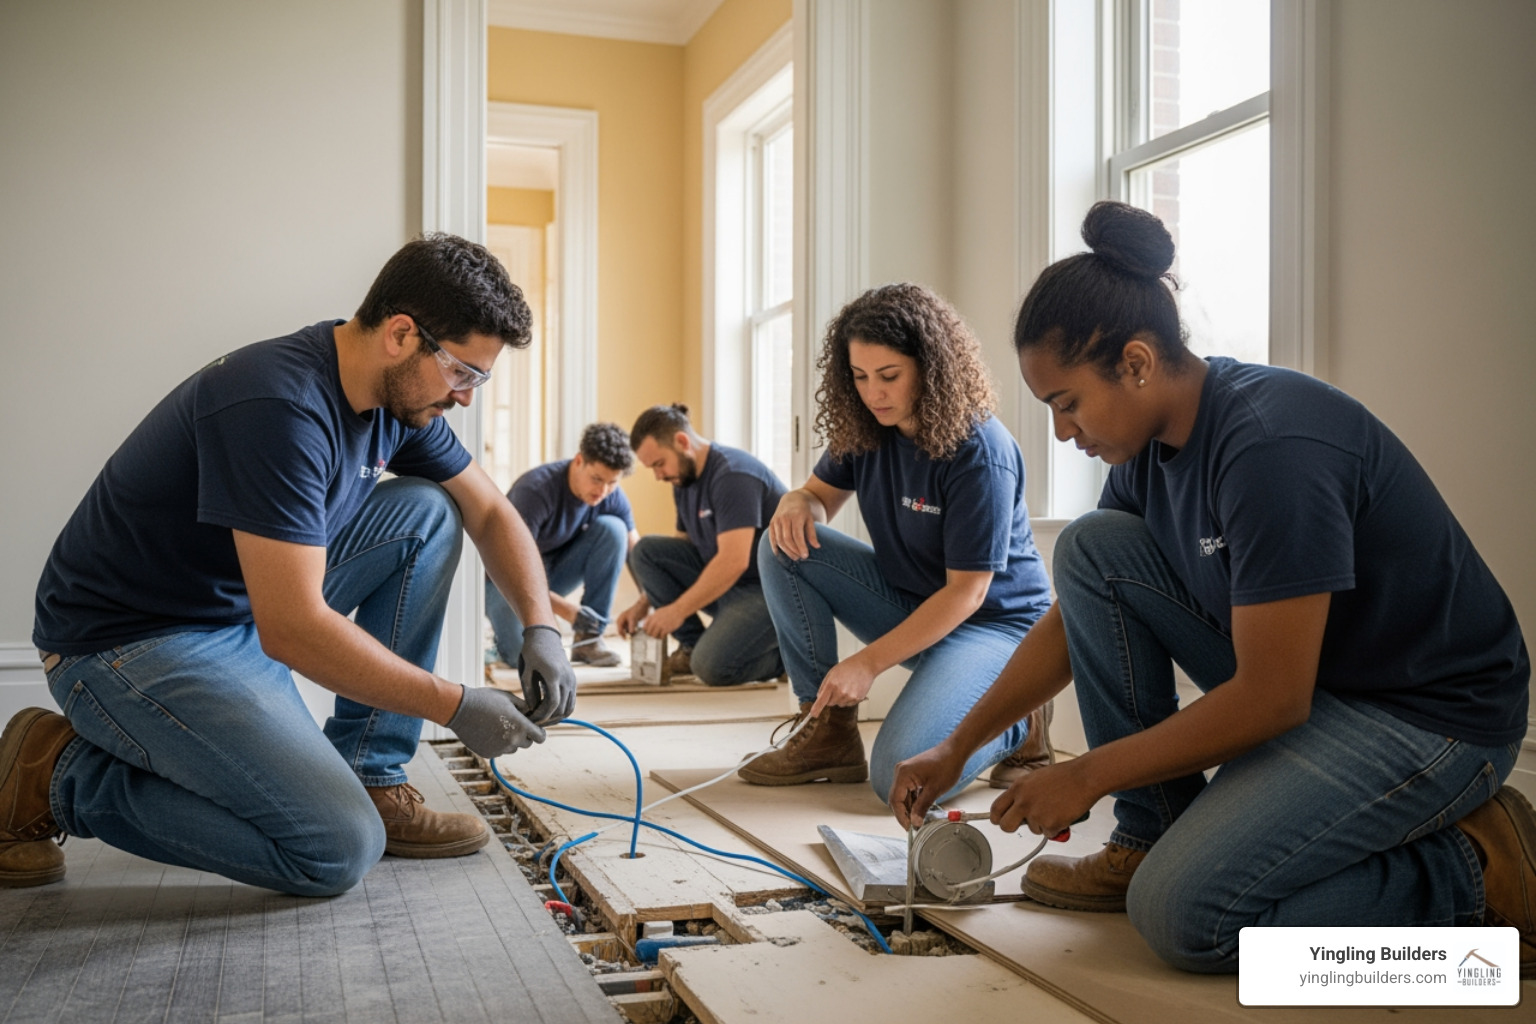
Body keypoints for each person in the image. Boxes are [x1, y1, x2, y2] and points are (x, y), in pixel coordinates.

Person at [889, 201, 1534, 974]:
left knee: (1186, 920)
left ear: (1135, 362)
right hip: (1330, 686)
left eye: (1067, 403)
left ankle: (1472, 869)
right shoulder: (1148, 453)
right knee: (1094, 550)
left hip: (1432, 717)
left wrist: (1087, 773)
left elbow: (1272, 698)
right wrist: (955, 745)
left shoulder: (1270, 448)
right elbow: (1076, 620)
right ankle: (1149, 833)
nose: (1063, 432)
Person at [2, 234, 575, 895]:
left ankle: (372, 773)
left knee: (429, 513)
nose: (467, 397)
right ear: (400, 334)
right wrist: (454, 705)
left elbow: (492, 512)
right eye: (462, 372)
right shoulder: (276, 406)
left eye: (481, 378)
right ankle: (56, 777)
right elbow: (294, 628)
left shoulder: (399, 403)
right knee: (334, 848)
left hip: (240, 606)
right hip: (128, 644)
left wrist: (541, 627)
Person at [740, 283, 1053, 800]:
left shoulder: (980, 450)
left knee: (896, 780)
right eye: (859, 377)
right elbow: (818, 497)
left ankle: (1019, 720)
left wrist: (866, 663)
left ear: (931, 369)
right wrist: (798, 500)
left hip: (995, 626)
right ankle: (827, 732)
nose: (873, 393)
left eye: (889, 376)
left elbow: (968, 593)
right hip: (913, 604)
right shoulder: (866, 427)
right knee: (782, 545)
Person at [616, 404, 785, 686]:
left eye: (659, 464)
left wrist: (676, 610)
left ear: (682, 442)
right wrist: (644, 604)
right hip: (730, 587)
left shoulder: (733, 475)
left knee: (710, 668)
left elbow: (733, 561)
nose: (658, 475)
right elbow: (684, 545)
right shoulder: (684, 479)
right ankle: (692, 645)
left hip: (767, 591)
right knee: (646, 552)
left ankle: (787, 657)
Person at [486, 422, 640, 671]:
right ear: (579, 461)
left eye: (612, 483)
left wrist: (648, 604)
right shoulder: (534, 492)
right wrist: (569, 611)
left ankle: (587, 641)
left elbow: (636, 550)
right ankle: (499, 643)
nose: (603, 491)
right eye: (597, 479)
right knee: (523, 659)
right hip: (502, 581)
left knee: (614, 529)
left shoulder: (611, 494)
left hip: (551, 573)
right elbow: (513, 571)